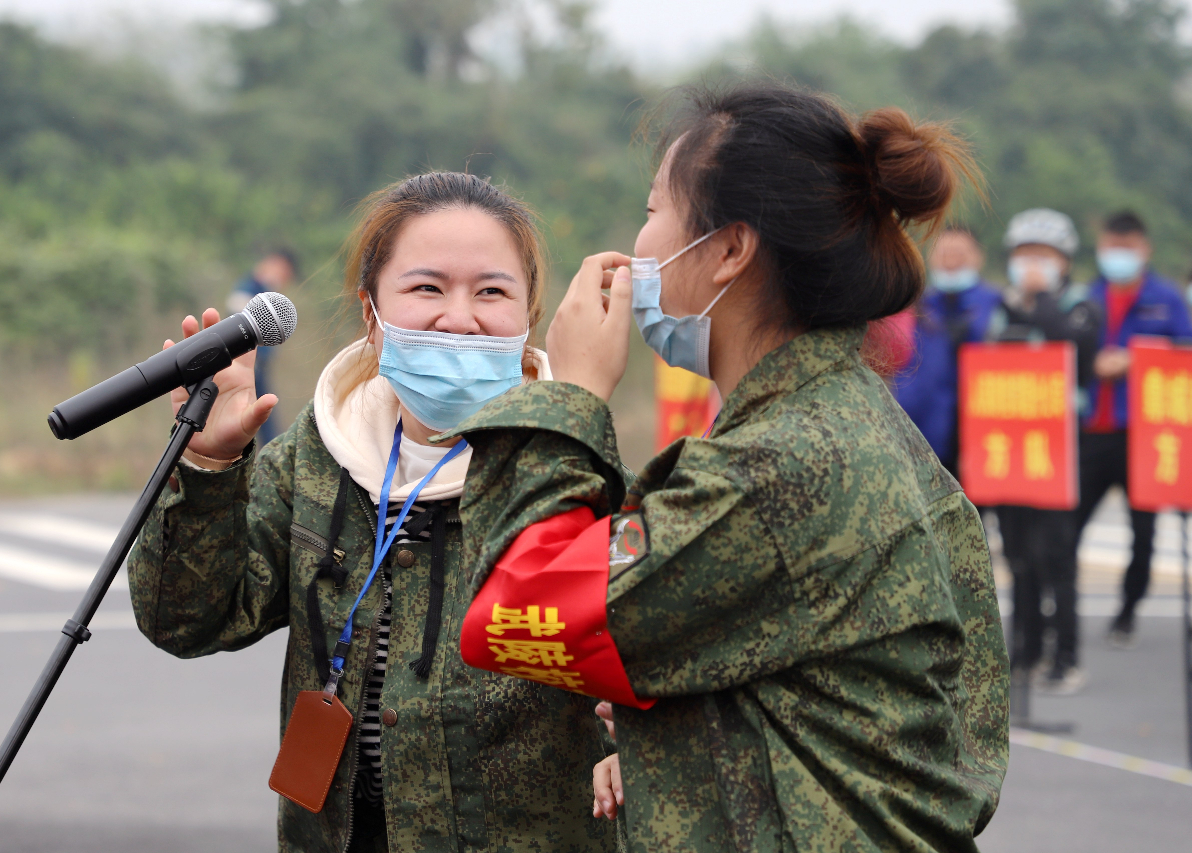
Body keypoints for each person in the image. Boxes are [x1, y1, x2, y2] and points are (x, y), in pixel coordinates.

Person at [444, 84, 1008, 850]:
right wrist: (670, 728)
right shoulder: (856, 423)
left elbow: (514, 614)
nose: (636, 247)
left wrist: (571, 395)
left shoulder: (779, 466)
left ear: (729, 250)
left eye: (652, 213)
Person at [126, 173, 618, 853]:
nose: (459, 317)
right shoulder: (321, 451)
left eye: (492, 291)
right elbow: (184, 619)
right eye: (426, 288)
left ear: (529, 313)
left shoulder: (569, 462)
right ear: (372, 315)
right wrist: (207, 464)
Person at [988, 209, 1101, 695]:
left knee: (1057, 555)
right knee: (1018, 557)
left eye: (1043, 256)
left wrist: (1043, 300)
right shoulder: (1002, 309)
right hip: (1011, 450)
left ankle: (1067, 656)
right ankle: (1026, 651)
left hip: (1059, 450)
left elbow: (1076, 352)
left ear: (1064, 261)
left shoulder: (1079, 307)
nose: (1031, 265)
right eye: (1023, 255)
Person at [1076, 210, 1192, 648]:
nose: (1119, 256)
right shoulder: (1085, 297)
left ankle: (1127, 609)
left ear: (1145, 250)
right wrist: (1094, 364)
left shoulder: (1167, 298)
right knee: (1069, 524)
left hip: (1145, 433)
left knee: (1143, 531)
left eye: (1127, 248)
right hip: (1094, 428)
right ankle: (1060, 604)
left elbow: (1185, 350)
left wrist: (1135, 359)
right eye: (1112, 247)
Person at [894, 226, 1003, 474]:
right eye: (943, 254)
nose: (951, 262)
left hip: (985, 429)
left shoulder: (998, 304)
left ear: (978, 257)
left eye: (960, 254)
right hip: (925, 431)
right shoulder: (913, 306)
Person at [228, 248, 299, 445]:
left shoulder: (266, 292)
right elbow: (238, 322)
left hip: (259, 366)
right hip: (247, 364)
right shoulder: (248, 289)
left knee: (265, 415)